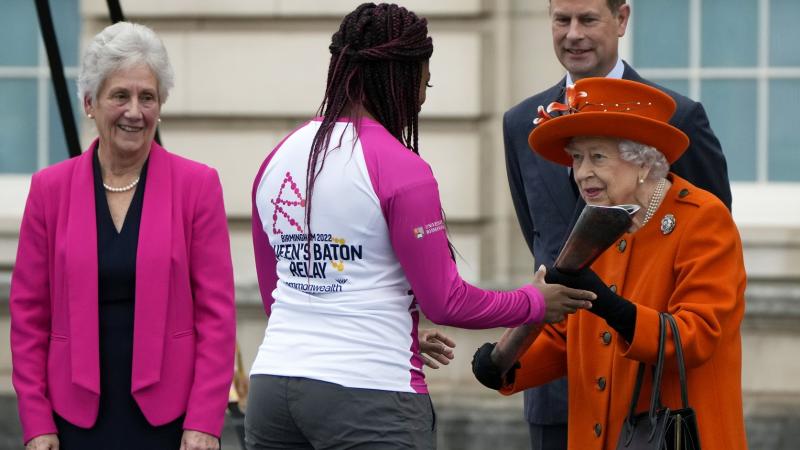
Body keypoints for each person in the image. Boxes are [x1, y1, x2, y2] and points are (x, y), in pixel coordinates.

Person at [245, 3, 596, 449]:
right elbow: (447, 301)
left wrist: (397, 325)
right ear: (402, 79)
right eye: (424, 83)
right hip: (369, 395)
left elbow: (279, 293)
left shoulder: (278, 158)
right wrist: (534, 303)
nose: (423, 99)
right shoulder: (401, 168)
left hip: (273, 388)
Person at [503, 0, 732, 448]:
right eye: (561, 19)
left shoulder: (677, 121)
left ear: (622, 18)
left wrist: (622, 312)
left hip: (661, 405)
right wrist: (507, 356)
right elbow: (543, 237)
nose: (573, 34)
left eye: (587, 19)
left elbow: (706, 266)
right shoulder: (519, 123)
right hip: (565, 390)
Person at [10, 22, 236, 450]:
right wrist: (36, 423)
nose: (135, 111)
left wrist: (205, 420)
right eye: (121, 96)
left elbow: (217, 317)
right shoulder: (49, 190)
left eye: (147, 97)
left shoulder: (197, 186)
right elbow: (28, 318)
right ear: (90, 103)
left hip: (171, 419)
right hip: (71, 415)